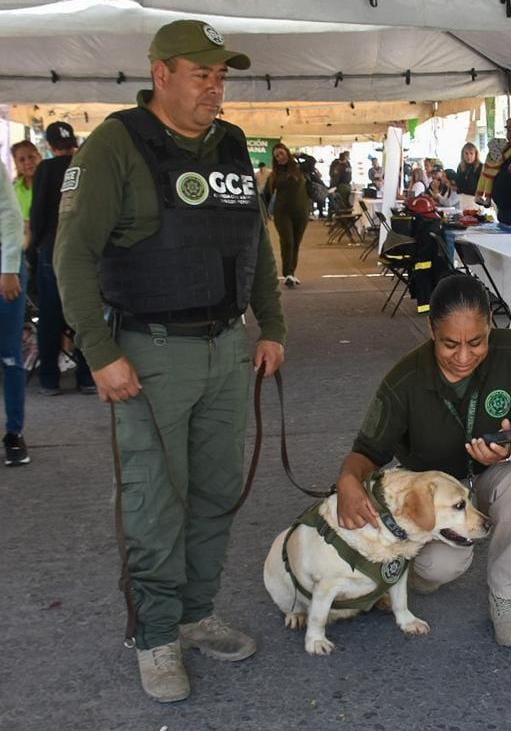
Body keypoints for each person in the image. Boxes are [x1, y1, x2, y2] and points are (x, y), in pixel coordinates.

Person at [54, 19, 286, 703]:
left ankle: (194, 612)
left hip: (223, 349)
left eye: (222, 76)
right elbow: (71, 257)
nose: (215, 87)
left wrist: (269, 323)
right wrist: (99, 353)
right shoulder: (114, 147)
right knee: (156, 504)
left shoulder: (231, 143)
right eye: (201, 74)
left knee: (215, 492)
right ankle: (155, 634)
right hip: (148, 353)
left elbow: (256, 243)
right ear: (162, 74)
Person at [335, 274, 511, 647]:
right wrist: (347, 482)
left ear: (490, 327)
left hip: (493, 475)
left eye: (477, 342)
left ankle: (506, 598)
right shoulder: (404, 380)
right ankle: (409, 574)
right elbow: (366, 453)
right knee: (440, 568)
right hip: (435, 499)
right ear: (431, 330)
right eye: (450, 344)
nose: (464, 356)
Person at [28, 121, 96, 396]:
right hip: (84, 248)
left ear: (50, 145)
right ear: (74, 143)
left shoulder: (45, 169)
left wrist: (33, 249)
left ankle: (49, 380)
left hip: (52, 248)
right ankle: (87, 376)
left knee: (50, 316)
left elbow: (38, 213)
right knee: (84, 313)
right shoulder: (89, 167)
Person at [1, 159, 29, 466]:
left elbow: (10, 216)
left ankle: (14, 434)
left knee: (9, 355)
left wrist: (9, 269)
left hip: (5, 266)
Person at [267, 142, 311, 288]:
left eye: (281, 153)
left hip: (301, 212)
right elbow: (266, 195)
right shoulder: (274, 174)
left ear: (287, 152)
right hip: (282, 213)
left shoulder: (300, 169)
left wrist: (300, 155)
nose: (280, 157)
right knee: (288, 242)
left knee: (296, 243)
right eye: (277, 156)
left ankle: (291, 273)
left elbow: (311, 161)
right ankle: (287, 274)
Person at [11, 140, 40, 224]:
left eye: (31, 157)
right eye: (22, 160)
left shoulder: (48, 183)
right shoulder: (14, 188)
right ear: (16, 164)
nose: (28, 162)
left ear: (39, 156)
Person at [456, 142, 482, 210]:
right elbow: (458, 184)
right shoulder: (460, 166)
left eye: (471, 153)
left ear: (475, 154)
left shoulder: (480, 167)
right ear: (463, 154)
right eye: (466, 153)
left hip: (475, 199)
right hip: (463, 198)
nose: (469, 156)